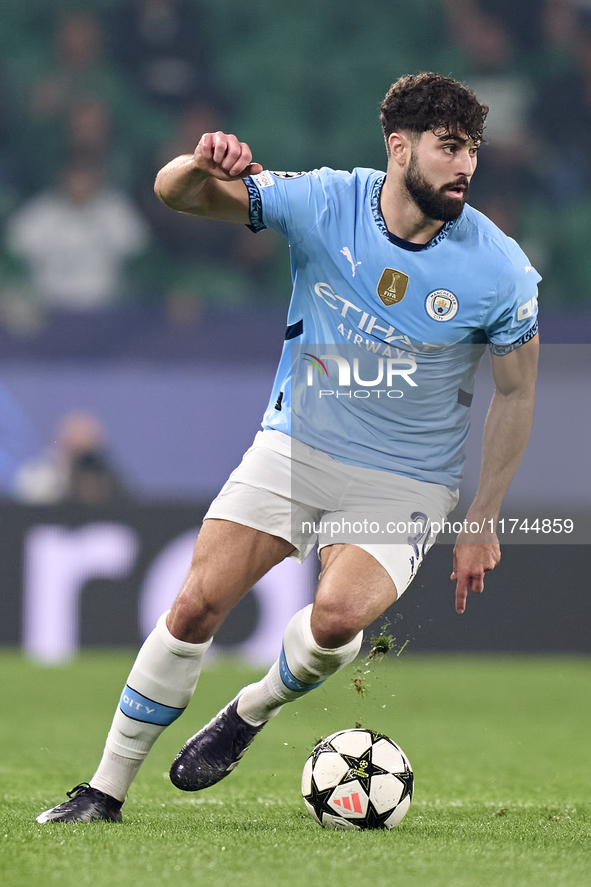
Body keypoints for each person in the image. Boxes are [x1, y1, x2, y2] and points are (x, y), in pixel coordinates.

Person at [36, 72, 539, 823]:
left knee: (337, 618)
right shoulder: (326, 200)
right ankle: (101, 791)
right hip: (295, 446)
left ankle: (249, 709)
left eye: (471, 149)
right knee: (196, 602)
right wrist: (199, 162)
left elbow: (516, 391)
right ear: (398, 147)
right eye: (447, 147)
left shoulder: (499, 268)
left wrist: (484, 513)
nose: (464, 165)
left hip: (406, 480)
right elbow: (177, 194)